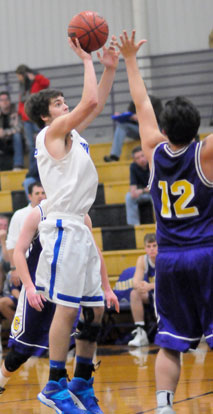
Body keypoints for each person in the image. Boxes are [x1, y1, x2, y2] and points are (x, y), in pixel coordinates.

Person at [115, 30, 213, 414]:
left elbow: (141, 102)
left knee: (170, 341)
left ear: (165, 129)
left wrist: (129, 59)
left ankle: (163, 406)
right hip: (206, 252)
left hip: (170, 259)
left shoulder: (153, 152)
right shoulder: (205, 154)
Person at [24, 36, 120, 414]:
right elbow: (91, 102)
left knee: (94, 311)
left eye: (65, 102)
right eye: (58, 104)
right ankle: (53, 383)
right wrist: (86, 59)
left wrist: (109, 68)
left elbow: (92, 106)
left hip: (81, 225)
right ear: (47, 116)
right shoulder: (50, 134)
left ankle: (81, 381)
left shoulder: (72, 134)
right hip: (62, 227)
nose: (66, 106)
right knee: (66, 310)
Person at [6, 181, 46, 287]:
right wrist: (14, 269)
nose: (40, 196)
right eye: (37, 193)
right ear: (29, 196)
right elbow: (11, 244)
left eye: (43, 193)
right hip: (26, 263)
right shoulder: (19, 215)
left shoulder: (51, 214)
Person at [103, 96, 162, 162]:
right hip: (138, 130)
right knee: (121, 126)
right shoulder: (134, 102)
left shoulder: (155, 101)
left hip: (152, 130)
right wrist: (121, 116)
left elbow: (159, 119)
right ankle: (114, 156)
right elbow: (129, 116)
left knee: (158, 128)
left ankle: (158, 153)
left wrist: (140, 118)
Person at [15, 64, 50, 171]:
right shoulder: (23, 86)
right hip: (26, 121)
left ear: (23, 74)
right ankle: (33, 168)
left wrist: (36, 77)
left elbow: (46, 83)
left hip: (37, 118)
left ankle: (45, 165)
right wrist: (20, 114)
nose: (18, 78)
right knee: (31, 145)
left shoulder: (36, 81)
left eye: (19, 76)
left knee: (43, 142)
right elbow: (21, 102)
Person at [128, 233, 157, 347]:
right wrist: (140, 286)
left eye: (154, 246)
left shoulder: (164, 257)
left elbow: (169, 283)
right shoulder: (142, 259)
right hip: (153, 294)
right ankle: (140, 332)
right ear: (145, 248)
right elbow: (135, 281)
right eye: (148, 246)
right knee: (134, 293)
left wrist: (150, 286)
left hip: (167, 293)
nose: (151, 249)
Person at [125, 146, 152, 225]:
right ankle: (134, 226)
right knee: (129, 197)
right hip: (145, 193)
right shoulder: (133, 167)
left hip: (155, 192)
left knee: (157, 195)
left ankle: (161, 223)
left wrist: (142, 190)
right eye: (137, 158)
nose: (141, 159)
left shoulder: (152, 163)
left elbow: (156, 186)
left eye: (142, 156)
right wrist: (143, 191)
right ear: (134, 160)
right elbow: (133, 191)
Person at [0, 91, 24, 171]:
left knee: (17, 135)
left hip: (13, 140)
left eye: (6, 99)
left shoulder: (15, 113)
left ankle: (18, 165)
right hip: (2, 141)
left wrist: (5, 132)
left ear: (10, 101)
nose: (4, 102)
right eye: (2, 100)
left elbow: (19, 128)